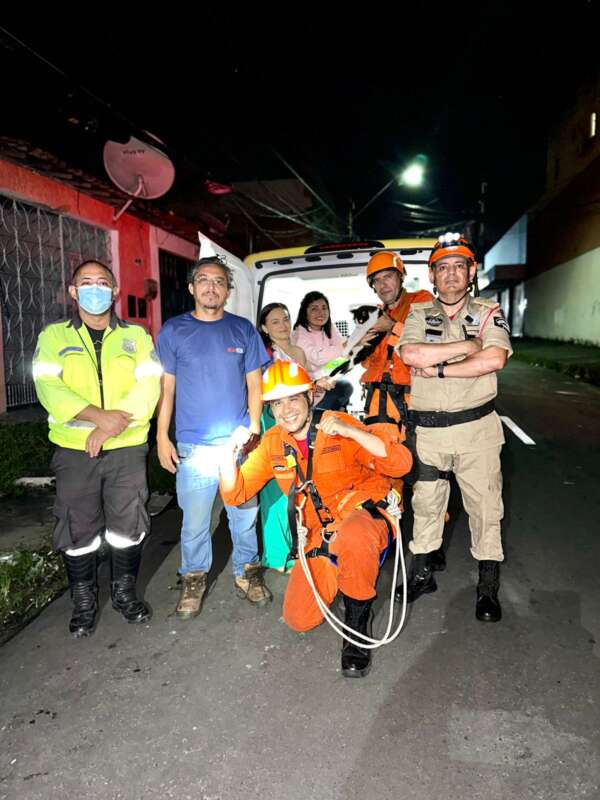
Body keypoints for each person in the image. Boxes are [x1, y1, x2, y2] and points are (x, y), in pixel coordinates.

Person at [219, 360, 413, 678]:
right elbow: (235, 493)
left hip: (365, 519)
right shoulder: (273, 444)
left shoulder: (338, 424)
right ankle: (345, 571)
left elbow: (401, 464)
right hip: (321, 533)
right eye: (277, 403)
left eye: (293, 398)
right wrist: (228, 455)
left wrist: (352, 431)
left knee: (353, 539)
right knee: (299, 618)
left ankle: (356, 628)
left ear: (310, 397)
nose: (286, 410)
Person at [32, 260, 161, 638]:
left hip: (126, 448)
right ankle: (84, 599)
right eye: (85, 283)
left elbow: (148, 388)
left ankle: (123, 592)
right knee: (77, 529)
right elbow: (48, 387)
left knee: (128, 526)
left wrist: (108, 429)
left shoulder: (137, 338)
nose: (94, 288)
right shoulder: (54, 337)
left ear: (115, 290)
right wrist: (98, 418)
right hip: (74, 450)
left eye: (102, 282)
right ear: (73, 292)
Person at [395, 233, 512, 622]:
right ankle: (422, 574)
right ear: (432, 275)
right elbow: (411, 354)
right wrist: (467, 346)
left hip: (477, 430)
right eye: (442, 267)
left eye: (458, 266)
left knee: (485, 509)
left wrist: (441, 367)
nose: (450, 274)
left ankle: (487, 588)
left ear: (471, 271)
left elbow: (493, 359)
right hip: (429, 433)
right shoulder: (417, 314)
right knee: (426, 506)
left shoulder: (487, 311)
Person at [156, 256, 271, 620]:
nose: (211, 287)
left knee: (244, 516)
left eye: (219, 281)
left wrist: (253, 427)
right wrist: (162, 435)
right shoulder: (174, 331)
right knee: (195, 521)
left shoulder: (243, 330)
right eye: (203, 280)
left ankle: (247, 573)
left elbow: (256, 383)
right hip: (193, 446)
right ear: (191, 288)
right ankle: (193, 578)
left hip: (237, 446)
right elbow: (167, 387)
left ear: (228, 290)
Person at [257, 303, 335, 571]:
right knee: (276, 490)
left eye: (285, 319)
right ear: (265, 328)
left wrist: (318, 386)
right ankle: (279, 554)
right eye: (275, 321)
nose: (282, 325)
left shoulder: (298, 351)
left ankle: (306, 545)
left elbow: (304, 390)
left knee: (302, 482)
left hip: (300, 422)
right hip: (272, 421)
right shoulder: (263, 354)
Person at [292, 291, 353, 410]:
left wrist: (342, 353)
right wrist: (345, 347)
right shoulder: (299, 333)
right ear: (305, 313)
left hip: (326, 379)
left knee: (347, 386)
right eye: (314, 309)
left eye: (324, 308)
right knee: (344, 388)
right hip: (307, 386)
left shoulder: (329, 328)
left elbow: (343, 357)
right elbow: (317, 357)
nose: (321, 313)